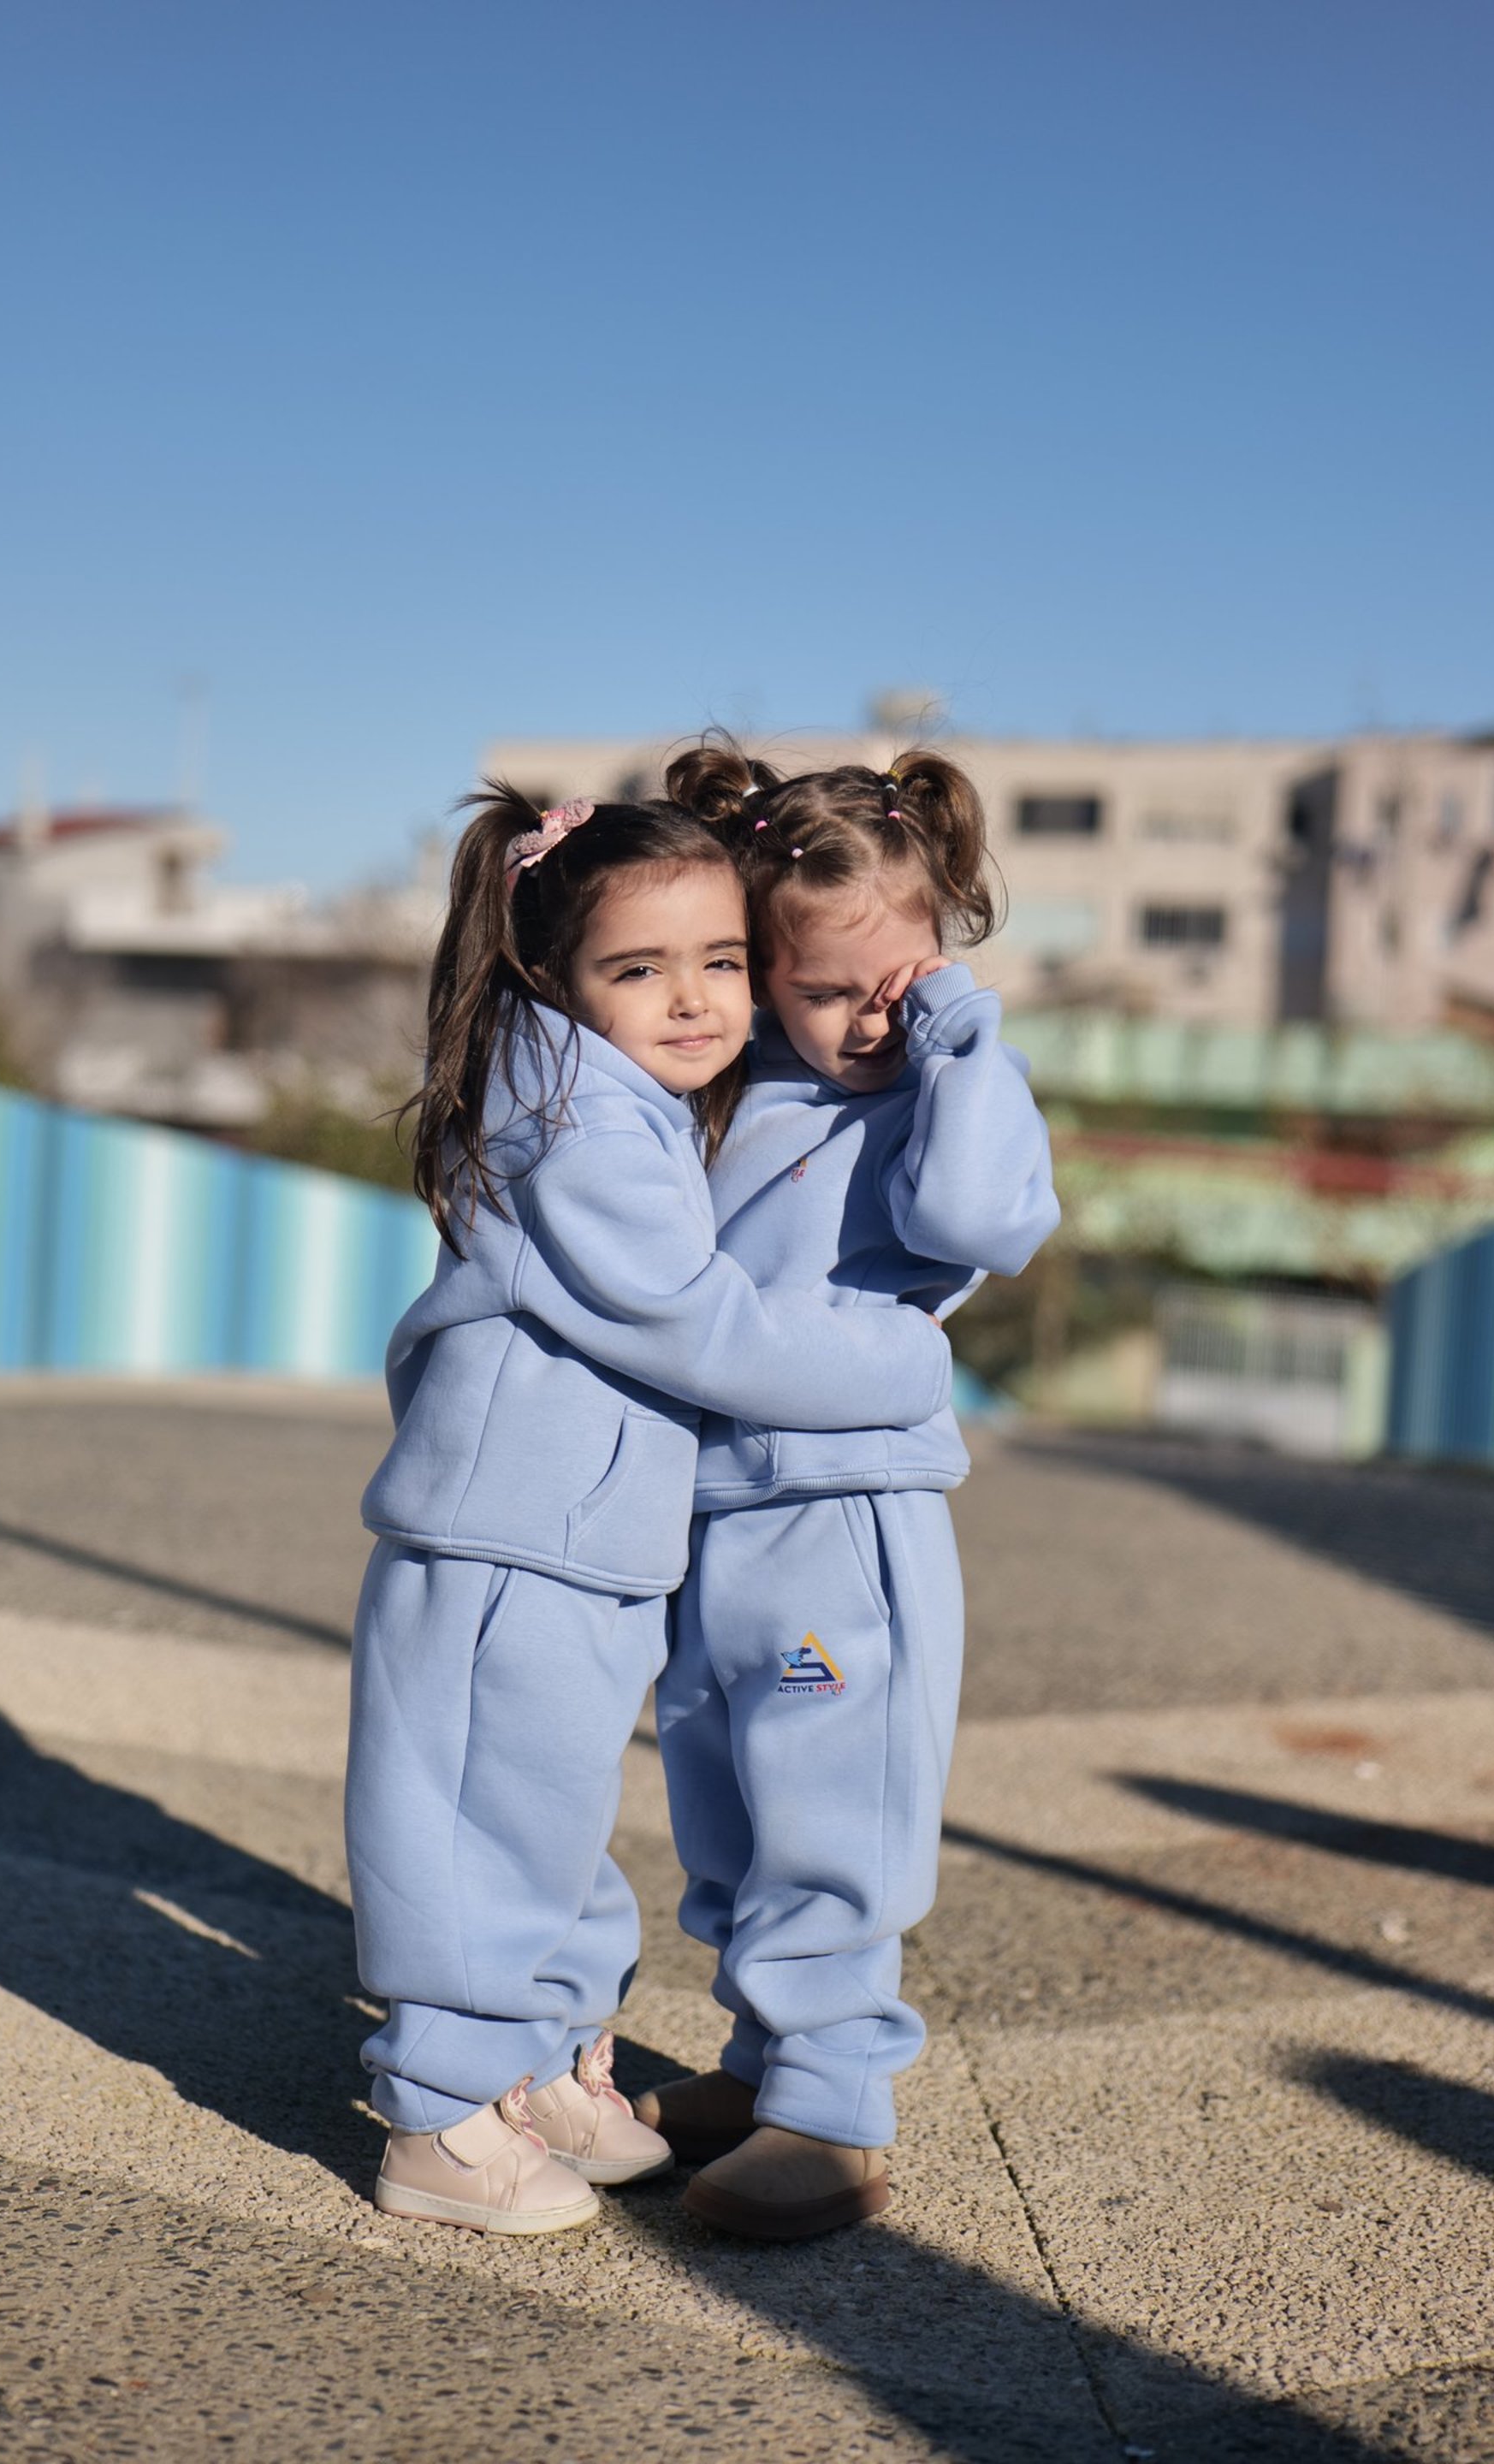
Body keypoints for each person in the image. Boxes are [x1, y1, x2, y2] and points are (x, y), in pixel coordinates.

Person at [346, 785, 955, 2236]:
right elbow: (696, 1326)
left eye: (723, 962)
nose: (693, 1000)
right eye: (640, 968)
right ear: (555, 975)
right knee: (474, 1823)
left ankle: (538, 2066)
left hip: (585, 1529)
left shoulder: (631, 1098)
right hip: (512, 1528)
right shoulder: (572, 1110)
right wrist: (902, 1354)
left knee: (547, 1820)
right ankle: (439, 2113)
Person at [637, 742, 1060, 2240]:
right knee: (726, 1804)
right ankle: (760, 2062)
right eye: (830, 993)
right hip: (710, 1516)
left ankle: (833, 2105)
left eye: (907, 975)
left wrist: (956, 1032)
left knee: (834, 1805)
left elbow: (980, 1223)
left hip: (845, 1517)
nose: (872, 1014)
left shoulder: (942, 1102)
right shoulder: (739, 1089)